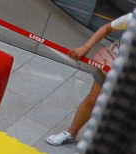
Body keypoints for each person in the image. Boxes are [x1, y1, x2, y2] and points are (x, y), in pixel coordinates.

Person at [47, 11, 133, 146]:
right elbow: (107, 28)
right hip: (111, 66)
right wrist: (86, 47)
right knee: (92, 100)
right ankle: (71, 133)